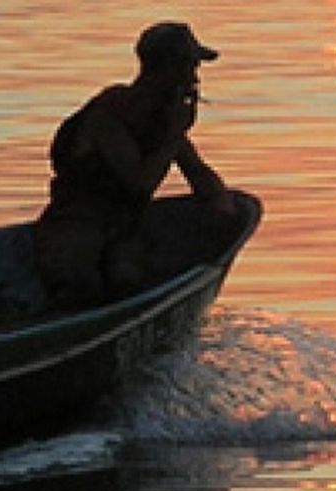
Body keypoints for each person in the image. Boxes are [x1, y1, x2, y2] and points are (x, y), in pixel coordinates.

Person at [33, 21, 237, 309]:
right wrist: (175, 134)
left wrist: (221, 204)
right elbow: (139, 185)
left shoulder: (160, 119)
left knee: (129, 278)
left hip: (122, 227)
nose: (195, 78)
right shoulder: (109, 117)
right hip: (76, 225)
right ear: (166, 70)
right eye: (189, 67)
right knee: (80, 291)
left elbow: (197, 170)